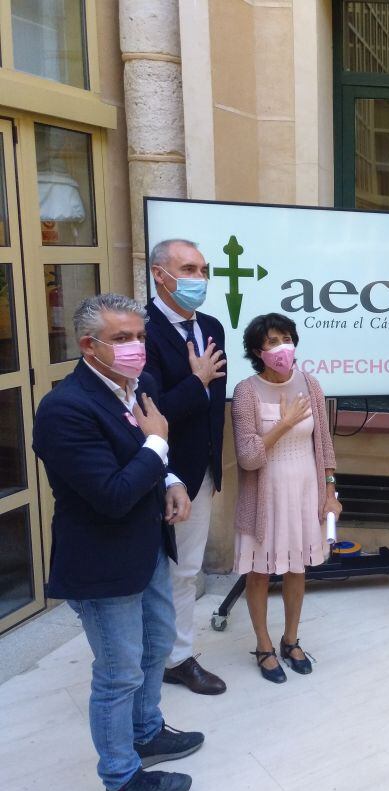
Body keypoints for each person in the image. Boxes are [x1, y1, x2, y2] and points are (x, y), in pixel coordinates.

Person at [33, 293, 203, 791]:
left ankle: (147, 732)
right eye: (121, 338)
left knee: (155, 649)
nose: (136, 348)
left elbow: (149, 461)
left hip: (147, 546)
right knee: (118, 673)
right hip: (102, 564)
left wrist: (170, 477)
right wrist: (157, 446)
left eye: (140, 336)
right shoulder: (65, 409)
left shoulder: (139, 386)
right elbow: (110, 494)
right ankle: (122, 779)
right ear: (88, 345)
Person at [232, 313, 341, 683]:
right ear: (256, 352)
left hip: (305, 491)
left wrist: (330, 492)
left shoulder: (310, 384)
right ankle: (263, 645)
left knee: (297, 568)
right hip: (265, 496)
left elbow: (324, 446)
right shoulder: (246, 392)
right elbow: (247, 457)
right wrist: (284, 422)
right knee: (260, 572)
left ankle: (291, 639)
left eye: (285, 338)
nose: (281, 348)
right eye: (271, 342)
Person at [145, 238, 228, 696]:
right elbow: (151, 411)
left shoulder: (212, 326)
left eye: (203, 270)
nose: (200, 279)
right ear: (161, 274)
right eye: (189, 269)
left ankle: (176, 658)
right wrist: (196, 382)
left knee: (186, 569)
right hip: (159, 473)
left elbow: (213, 409)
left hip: (203, 472)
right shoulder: (142, 331)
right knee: (154, 571)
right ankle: (157, 655)